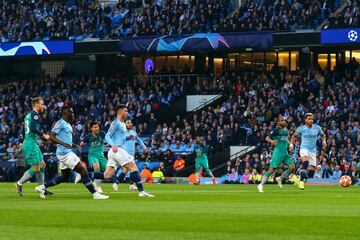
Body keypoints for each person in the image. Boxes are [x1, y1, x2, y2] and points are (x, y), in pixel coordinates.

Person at [35, 107, 109, 200]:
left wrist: (74, 145)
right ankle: (95, 194)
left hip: (65, 152)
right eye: (71, 112)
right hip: (65, 153)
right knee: (83, 171)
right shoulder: (60, 123)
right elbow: (51, 137)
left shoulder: (68, 124)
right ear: (66, 113)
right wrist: (63, 144)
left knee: (64, 177)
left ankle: (41, 187)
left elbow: (65, 140)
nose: (73, 114)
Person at [104, 104, 154, 197]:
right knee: (133, 167)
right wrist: (113, 145)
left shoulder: (122, 124)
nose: (127, 112)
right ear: (120, 112)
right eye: (125, 111)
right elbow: (107, 135)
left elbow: (120, 138)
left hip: (114, 152)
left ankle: (87, 175)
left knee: (107, 175)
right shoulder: (116, 123)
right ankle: (141, 192)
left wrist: (128, 137)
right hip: (117, 149)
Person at [16, 97, 52, 197]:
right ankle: (19, 183)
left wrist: (21, 140)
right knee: (36, 168)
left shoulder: (28, 115)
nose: (43, 106)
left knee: (42, 165)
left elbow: (23, 131)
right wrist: (43, 135)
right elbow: (32, 128)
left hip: (32, 143)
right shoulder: (35, 115)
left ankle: (41, 189)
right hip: (30, 144)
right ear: (36, 104)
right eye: (42, 104)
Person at [258, 115, 295, 193]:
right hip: (278, 153)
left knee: (292, 168)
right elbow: (267, 138)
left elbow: (286, 140)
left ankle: (280, 178)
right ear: (278, 122)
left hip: (285, 153)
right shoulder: (275, 130)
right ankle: (261, 185)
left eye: (284, 121)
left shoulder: (286, 130)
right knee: (272, 169)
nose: (284, 122)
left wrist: (290, 145)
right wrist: (272, 141)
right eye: (282, 121)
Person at [291, 113, 326, 190]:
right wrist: (291, 145)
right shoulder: (301, 128)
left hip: (313, 151)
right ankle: (301, 182)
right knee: (306, 162)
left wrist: (324, 141)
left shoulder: (317, 128)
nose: (311, 120)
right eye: (309, 119)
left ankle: (299, 176)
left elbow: (323, 135)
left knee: (311, 173)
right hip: (304, 149)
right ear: (305, 120)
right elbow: (294, 136)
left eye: (312, 119)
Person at [112, 118, 148, 191]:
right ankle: (132, 185)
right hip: (124, 154)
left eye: (130, 123)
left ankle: (117, 183)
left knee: (126, 170)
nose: (129, 124)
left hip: (131, 154)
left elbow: (139, 140)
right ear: (124, 124)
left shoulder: (133, 132)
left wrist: (144, 147)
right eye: (128, 123)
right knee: (134, 170)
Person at [75, 121, 107, 193]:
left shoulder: (102, 134)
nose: (96, 128)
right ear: (91, 129)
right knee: (97, 167)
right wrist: (80, 147)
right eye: (95, 127)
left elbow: (108, 138)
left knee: (108, 173)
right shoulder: (88, 136)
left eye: (97, 127)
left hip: (101, 156)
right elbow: (81, 144)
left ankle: (84, 175)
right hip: (92, 156)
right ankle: (97, 186)